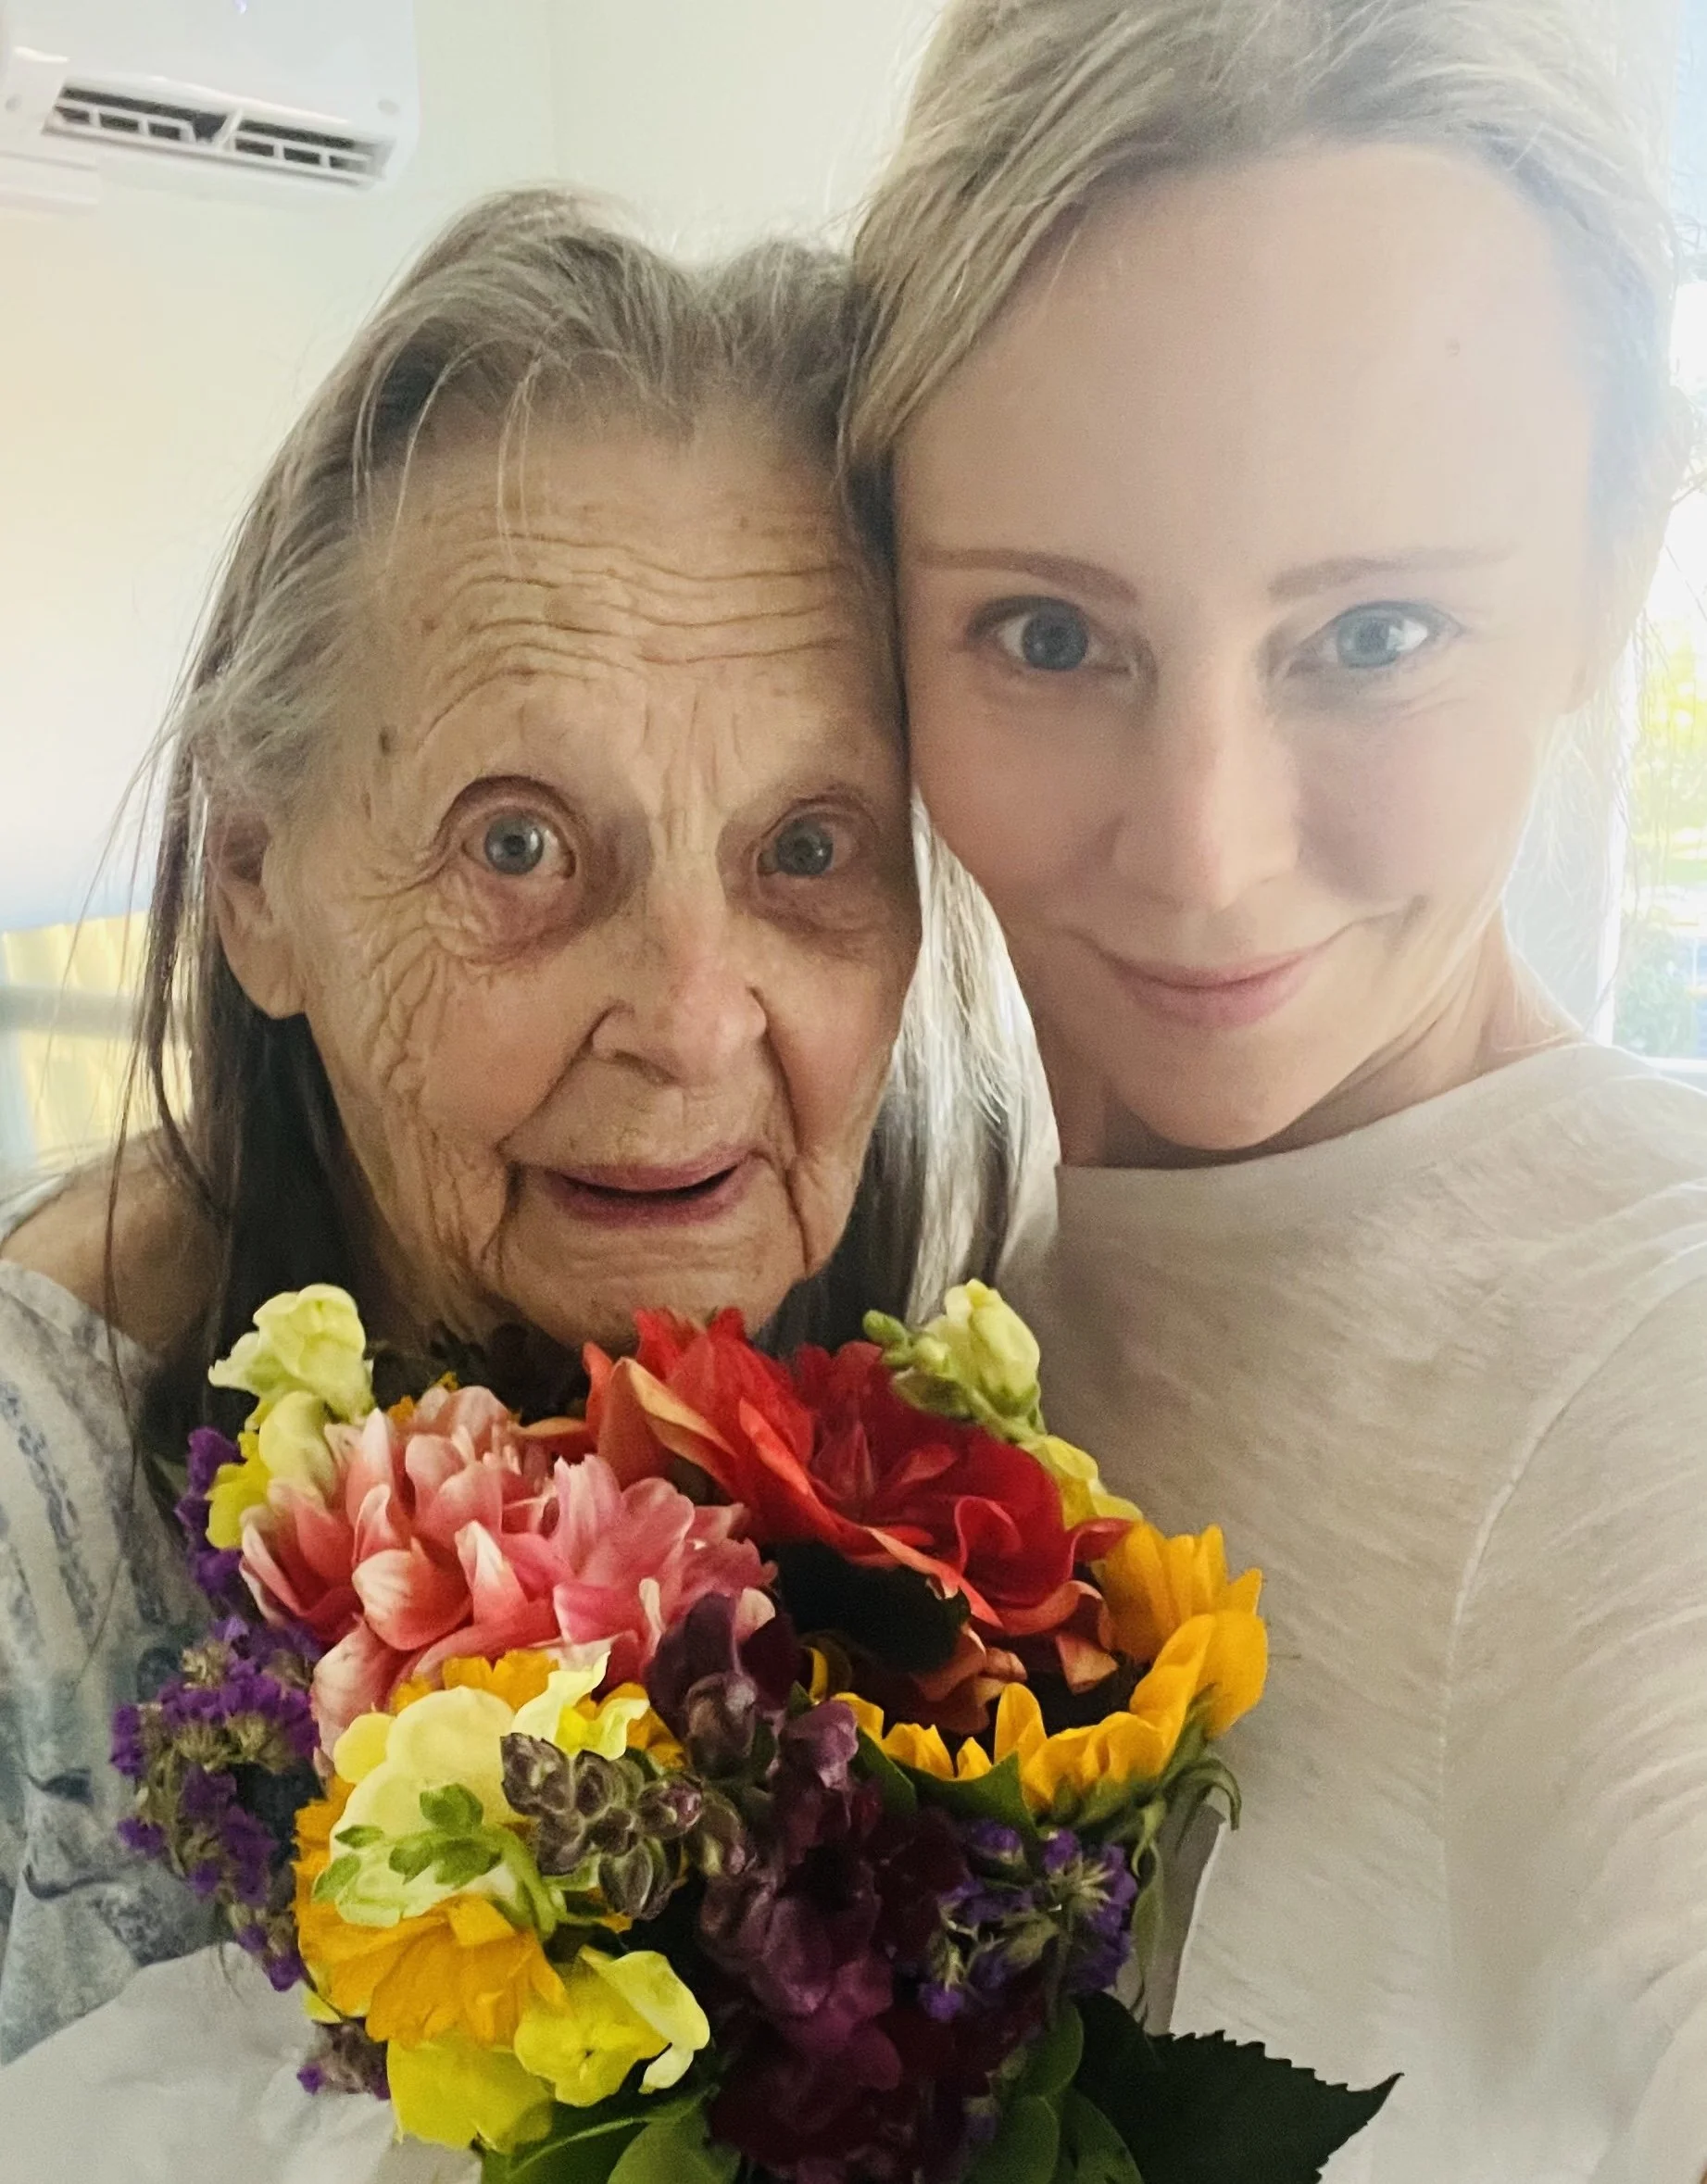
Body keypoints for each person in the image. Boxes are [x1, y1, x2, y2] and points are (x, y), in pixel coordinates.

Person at [0, 189, 1013, 2065]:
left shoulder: (982, 1393)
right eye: (520, 844)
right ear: (253, 882)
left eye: (811, 849)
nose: (697, 1020)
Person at [848, 1, 1707, 2178]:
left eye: (1378, 635)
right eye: (1049, 636)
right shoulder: (914, 1267)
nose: (1204, 853)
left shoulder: (1661, 1353)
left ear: (1609, 580)